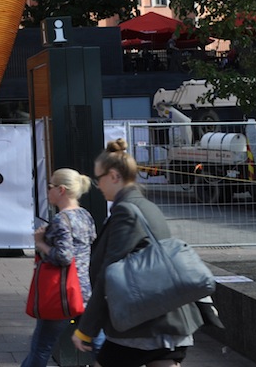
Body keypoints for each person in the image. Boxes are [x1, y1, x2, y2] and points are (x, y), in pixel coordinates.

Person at [72, 139, 203, 367]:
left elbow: (109, 272)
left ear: (113, 176)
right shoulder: (146, 205)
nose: (98, 185)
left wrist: (86, 329)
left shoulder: (126, 211)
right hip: (163, 321)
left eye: (99, 178)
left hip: (143, 327)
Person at [21, 168, 100, 367]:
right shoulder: (85, 215)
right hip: (84, 291)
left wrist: (41, 243)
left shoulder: (60, 220)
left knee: (40, 348)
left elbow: (64, 256)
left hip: (63, 293)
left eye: (50, 186)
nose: (48, 191)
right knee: (98, 342)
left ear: (61, 190)